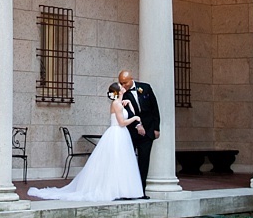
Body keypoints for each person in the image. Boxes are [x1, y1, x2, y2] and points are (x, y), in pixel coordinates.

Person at [27, 82, 143, 202]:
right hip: (117, 133)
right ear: (118, 91)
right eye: (121, 87)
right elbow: (122, 122)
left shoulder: (121, 103)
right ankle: (114, 189)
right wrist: (135, 119)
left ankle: (122, 189)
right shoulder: (116, 104)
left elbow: (132, 113)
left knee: (122, 162)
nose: (124, 88)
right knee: (114, 161)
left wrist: (129, 105)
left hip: (122, 134)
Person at [118, 69, 160, 197]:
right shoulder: (120, 92)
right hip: (131, 132)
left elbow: (154, 108)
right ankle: (127, 191)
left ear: (131, 79)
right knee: (129, 161)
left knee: (144, 161)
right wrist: (137, 125)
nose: (123, 85)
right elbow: (125, 111)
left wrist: (156, 128)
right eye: (121, 83)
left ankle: (141, 191)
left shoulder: (145, 88)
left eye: (125, 82)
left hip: (147, 132)